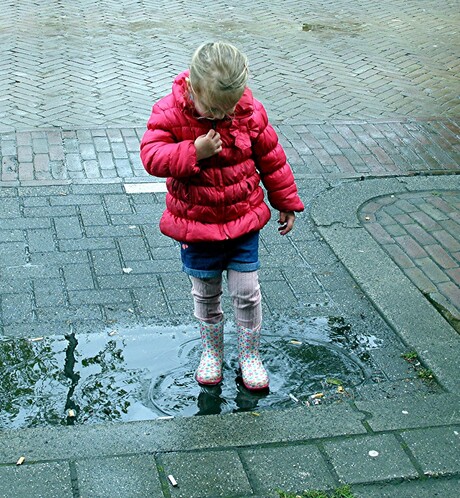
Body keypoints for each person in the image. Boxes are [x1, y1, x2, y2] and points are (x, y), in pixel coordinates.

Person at [140, 41, 304, 391]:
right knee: (206, 293)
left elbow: (272, 159)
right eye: (213, 109)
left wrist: (285, 201)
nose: (221, 117)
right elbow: (151, 156)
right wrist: (191, 151)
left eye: (227, 109)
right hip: (196, 225)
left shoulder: (248, 112)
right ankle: (211, 352)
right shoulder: (169, 112)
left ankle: (249, 355)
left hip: (242, 220)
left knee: (247, 292)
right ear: (192, 88)